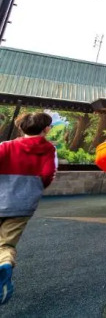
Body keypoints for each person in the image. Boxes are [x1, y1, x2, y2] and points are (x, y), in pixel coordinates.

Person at [0, 112, 57, 305]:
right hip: (23, 205)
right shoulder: (48, 150)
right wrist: (34, 188)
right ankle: (5, 264)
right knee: (6, 244)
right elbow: (48, 174)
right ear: (46, 129)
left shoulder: (6, 146)